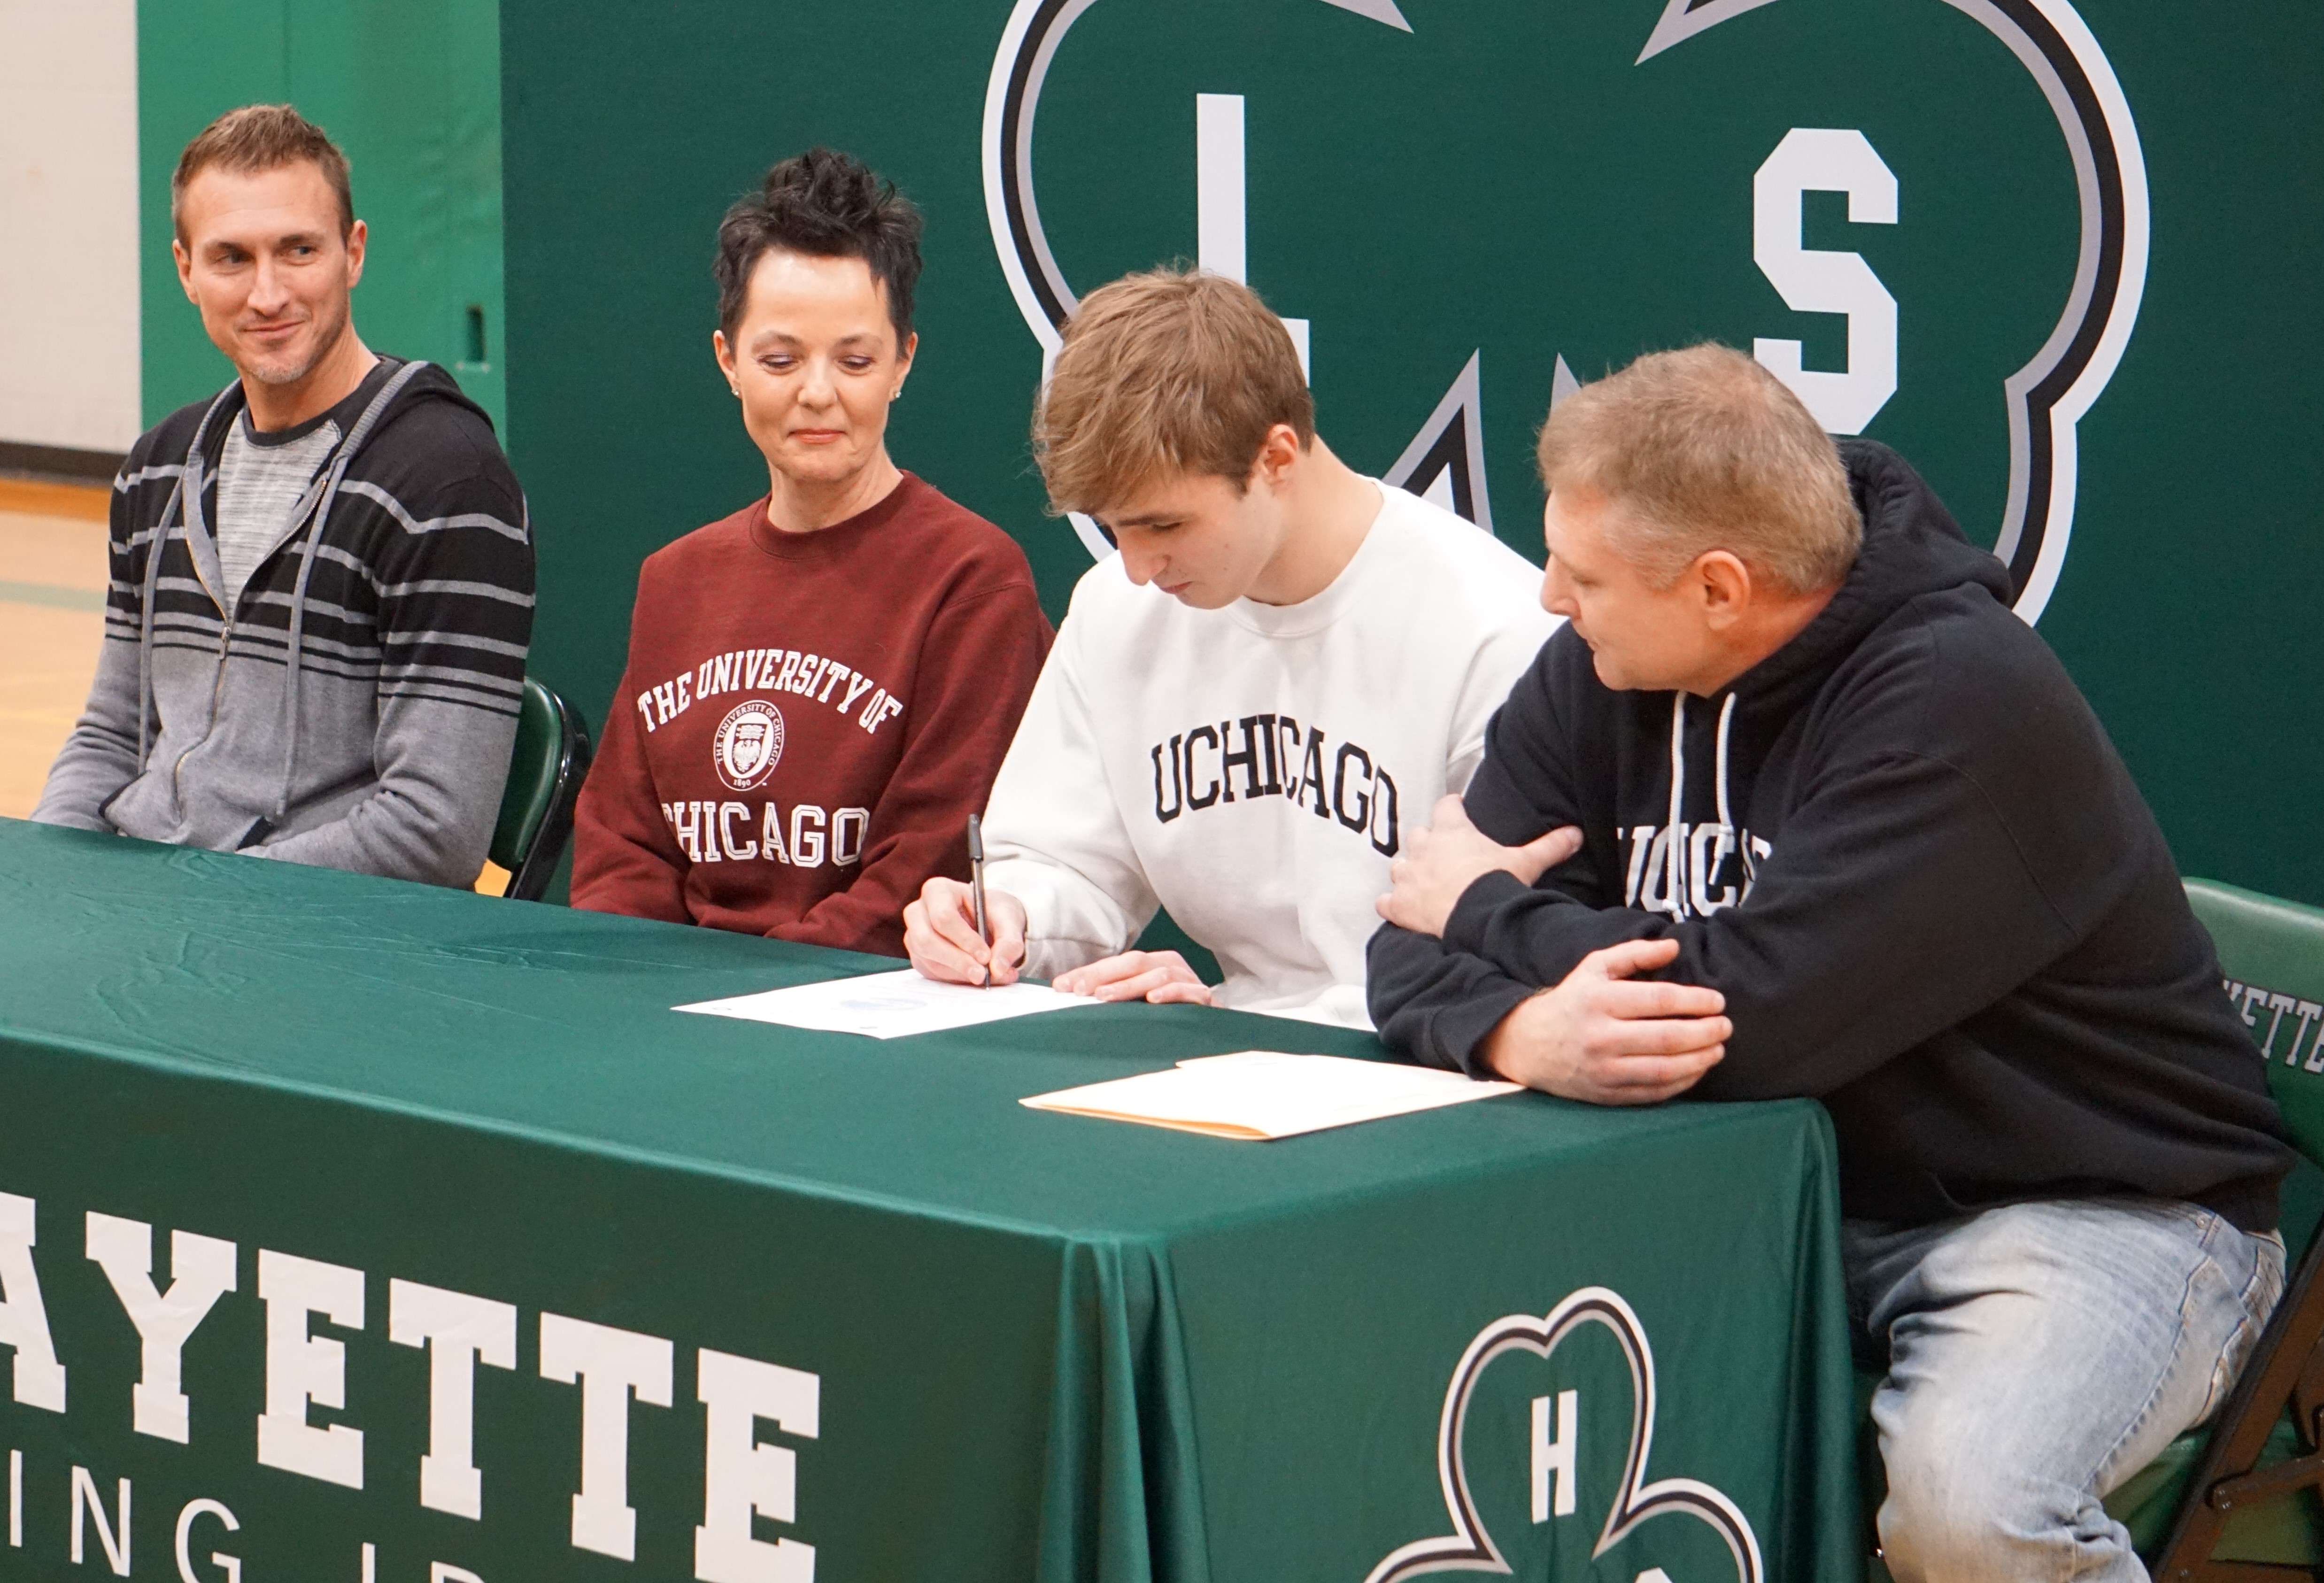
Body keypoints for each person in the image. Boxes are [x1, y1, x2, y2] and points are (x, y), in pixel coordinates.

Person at [1368, 342, 2294, 1581]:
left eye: (1580, 572)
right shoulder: (1601, 668)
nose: (1547, 596)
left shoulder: (1956, 701)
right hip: (1776, 1197)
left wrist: (1493, 913)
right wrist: (1516, 1033)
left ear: (1717, 586)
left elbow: (1743, 1025)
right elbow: (1399, 938)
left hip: (2081, 1209)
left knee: (1971, 1514)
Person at [903, 267, 1557, 1026]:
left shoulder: (1495, 631)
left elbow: (1516, 956)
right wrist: (1001, 919)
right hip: (1228, 1061)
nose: (1140, 567)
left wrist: (1235, 1017)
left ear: (1276, 459)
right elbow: (1066, 867)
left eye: (1165, 525)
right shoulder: (1116, 608)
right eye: (1114, 529)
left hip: (1430, 1061)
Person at [33, 106, 532, 887]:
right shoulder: (158, 469)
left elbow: (433, 833)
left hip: (317, 946)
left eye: (298, 250)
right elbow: (110, 737)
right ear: (185, 270)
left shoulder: (446, 482)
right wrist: (48, 876)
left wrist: (197, 906)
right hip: (156, 917)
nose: (268, 294)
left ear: (353, 253)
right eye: (231, 258)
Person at [569, 150, 1050, 955]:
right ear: (728, 362)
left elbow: (923, 873)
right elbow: (622, 853)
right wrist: (639, 991)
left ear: (904, 361)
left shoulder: (973, 578)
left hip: (864, 1013)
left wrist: (749, 993)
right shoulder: (676, 579)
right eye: (780, 360)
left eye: (855, 361)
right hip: (667, 1012)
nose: (818, 393)